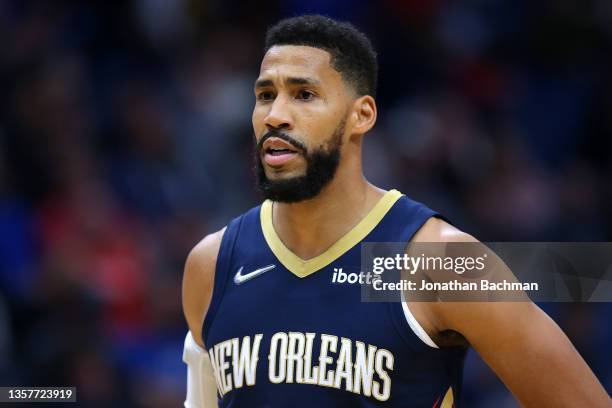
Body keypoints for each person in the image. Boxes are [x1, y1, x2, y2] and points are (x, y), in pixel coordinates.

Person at [182, 14, 610, 408]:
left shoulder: (441, 262)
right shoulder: (212, 264)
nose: (276, 115)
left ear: (360, 116)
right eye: (265, 95)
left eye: (304, 94)